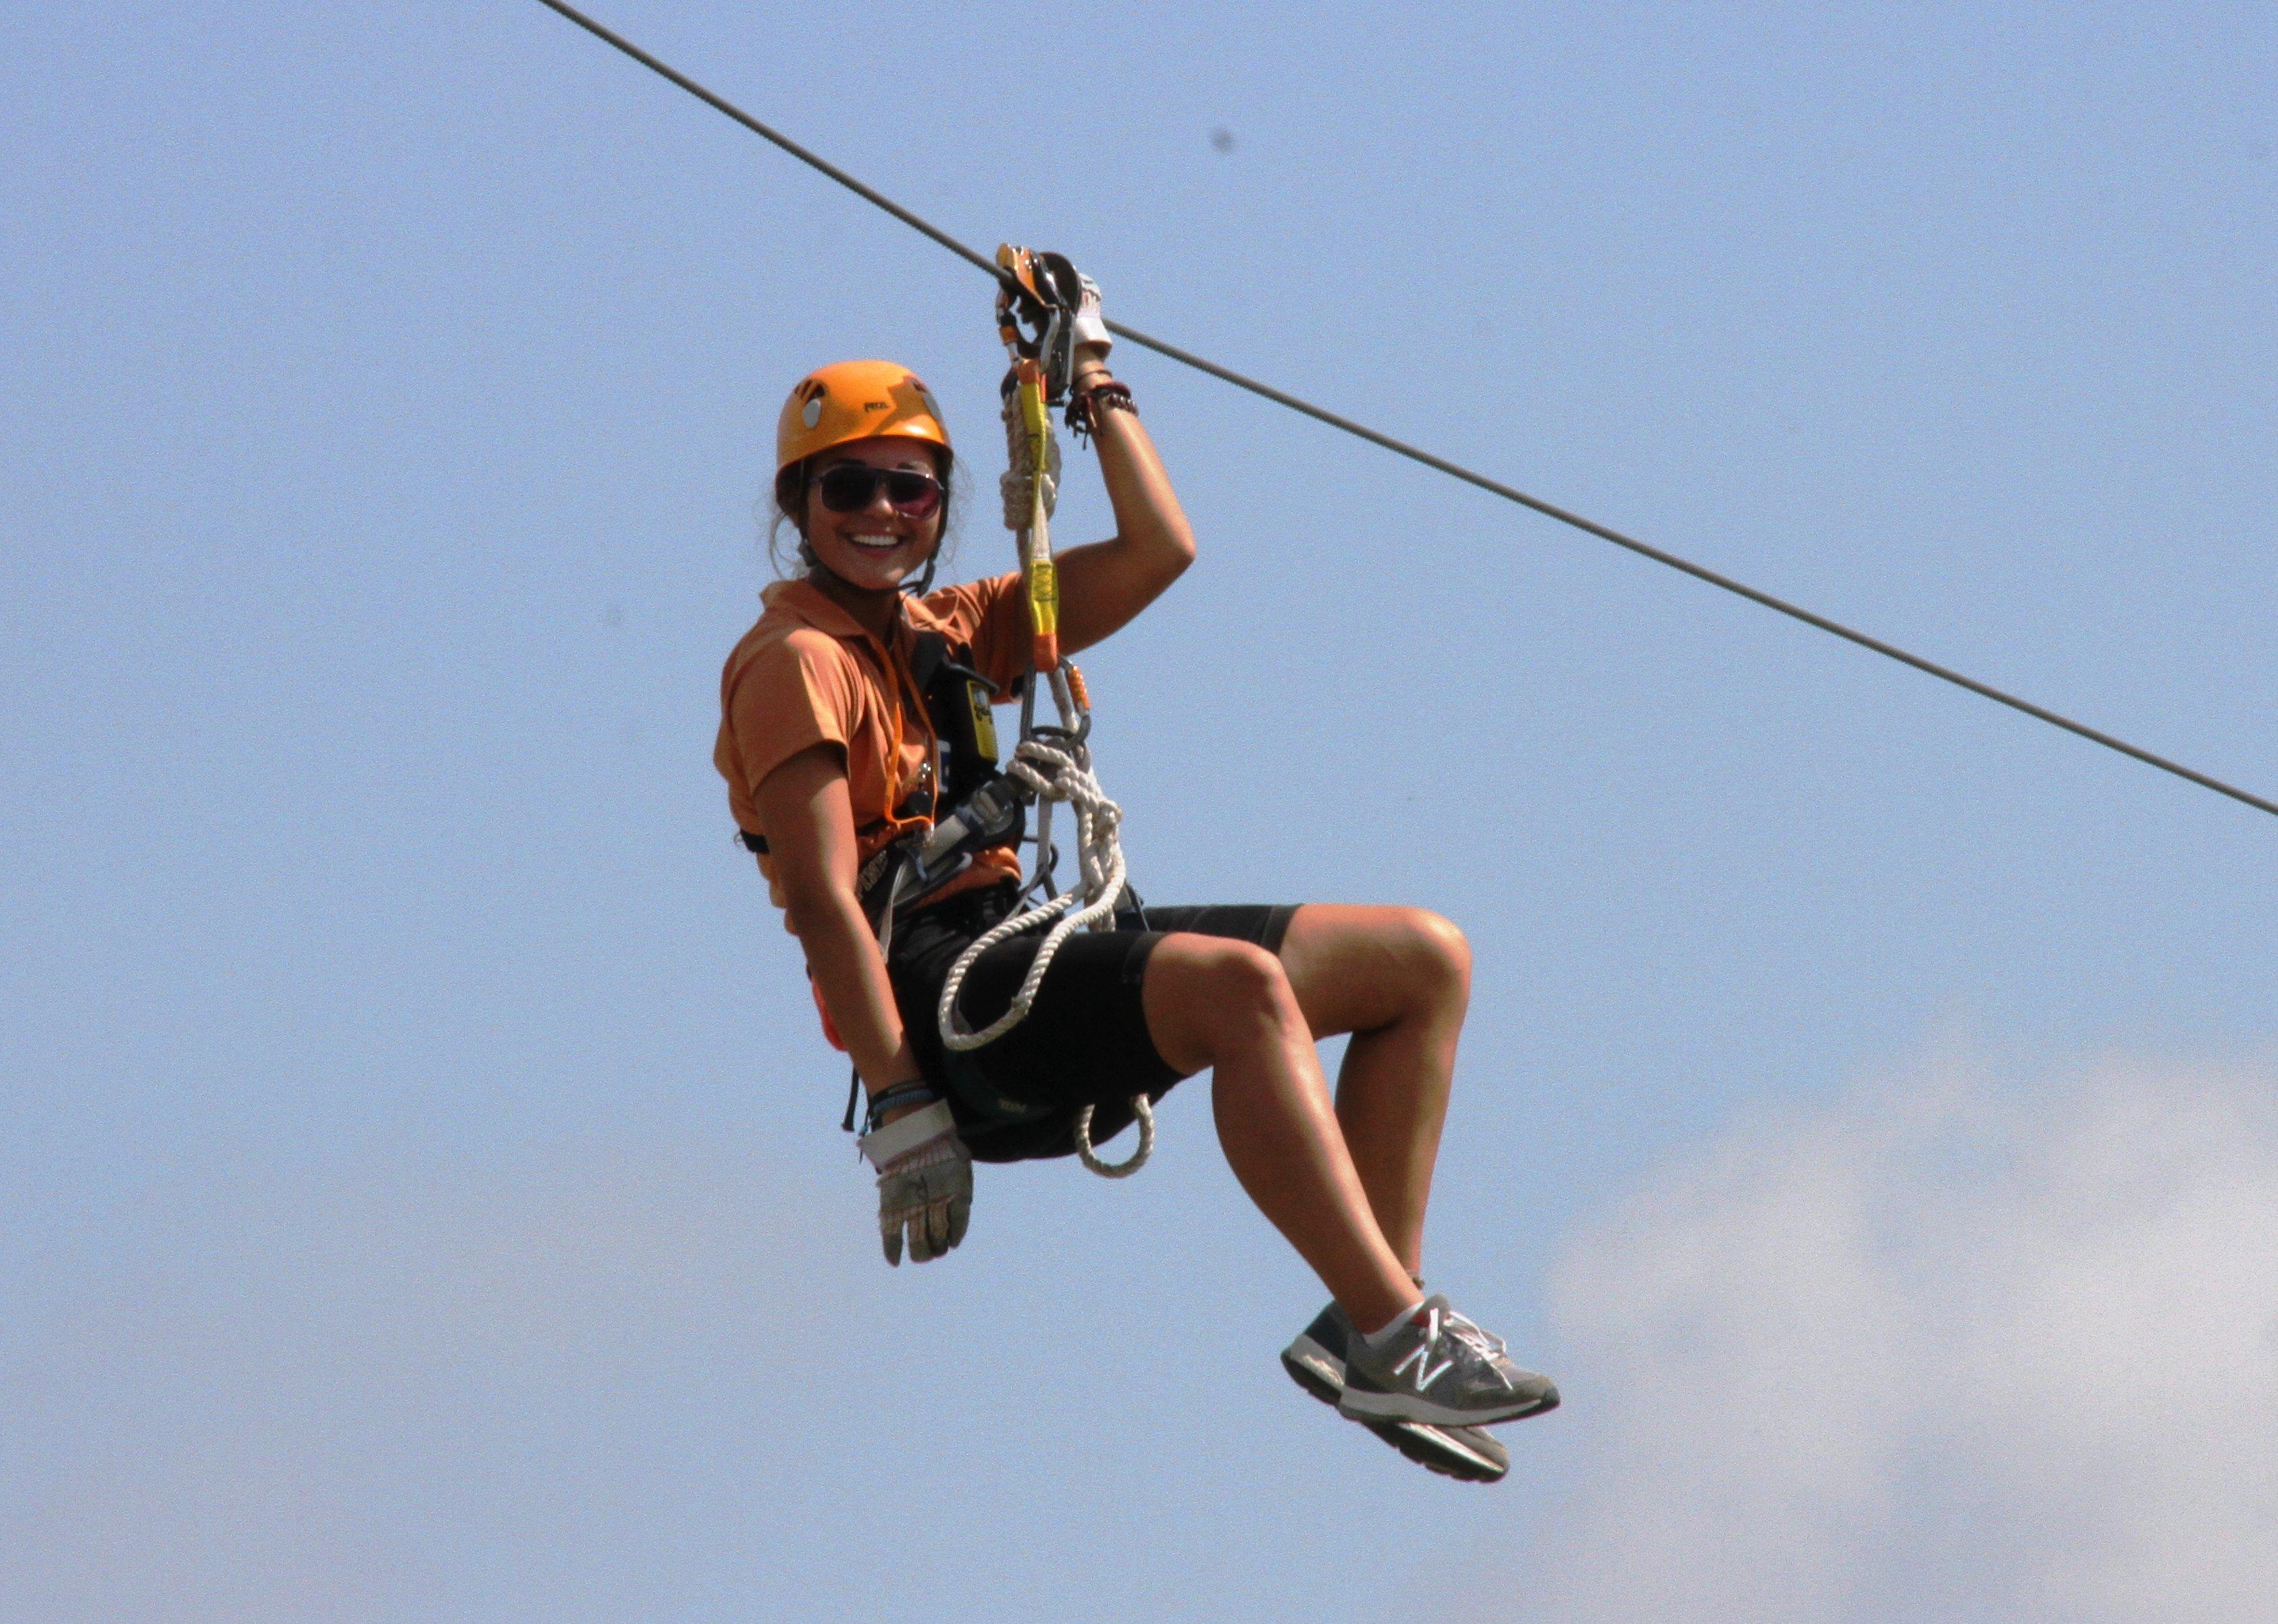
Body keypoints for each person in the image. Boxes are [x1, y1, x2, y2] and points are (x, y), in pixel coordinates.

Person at [715, 283, 1557, 1483]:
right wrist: (899, 1101)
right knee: (1240, 988)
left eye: (911, 487)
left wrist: (1092, 386)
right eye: (848, 485)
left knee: (1421, 959)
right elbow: (824, 903)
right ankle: (1395, 1329)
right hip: (940, 1003)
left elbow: (1164, 546)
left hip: (1016, 947)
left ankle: (1374, 1319)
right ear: (799, 505)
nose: (884, 511)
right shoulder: (796, 662)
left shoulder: (949, 629)